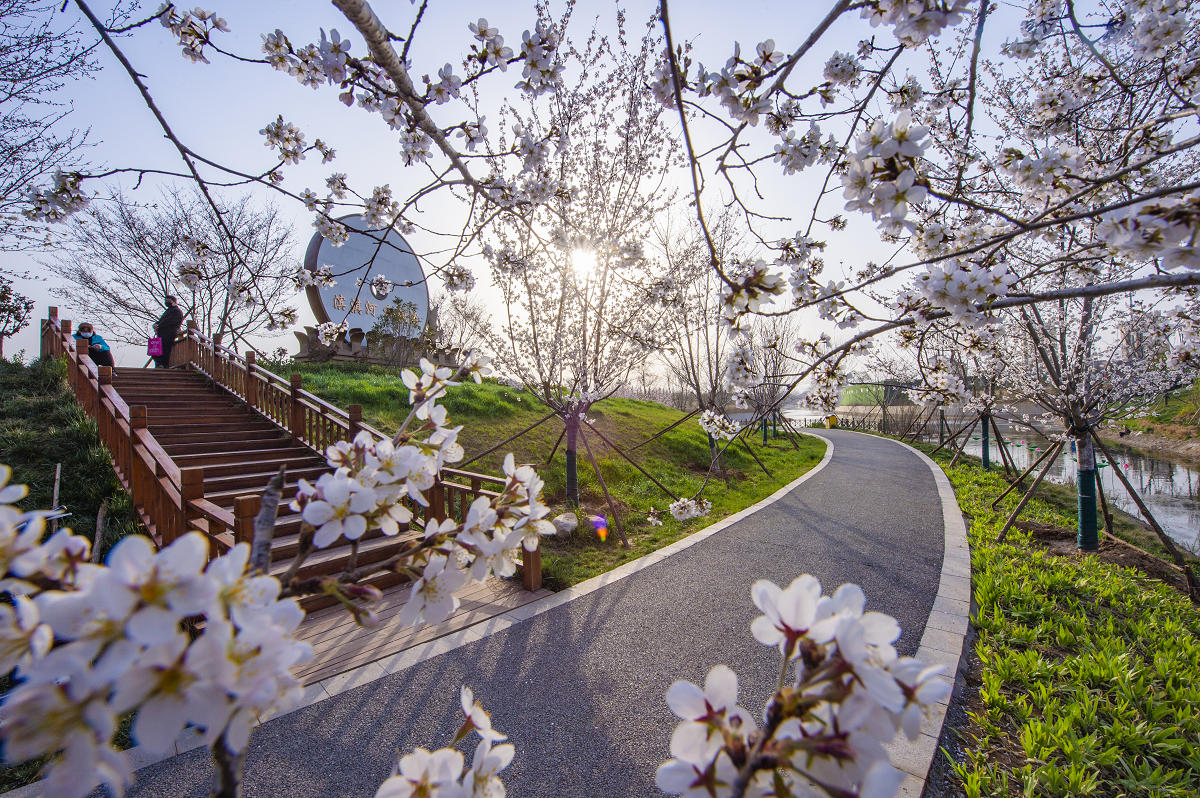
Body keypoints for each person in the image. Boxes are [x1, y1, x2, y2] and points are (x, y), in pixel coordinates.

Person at [153, 295, 184, 368]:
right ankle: (159, 365)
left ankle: (164, 366)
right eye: (166, 301)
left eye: (168, 301)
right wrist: (155, 324)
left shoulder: (177, 311)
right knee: (157, 350)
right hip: (162, 334)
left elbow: (169, 321)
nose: (167, 302)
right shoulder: (168, 311)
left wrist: (159, 325)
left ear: (174, 301)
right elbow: (161, 320)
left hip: (169, 333)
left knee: (165, 351)